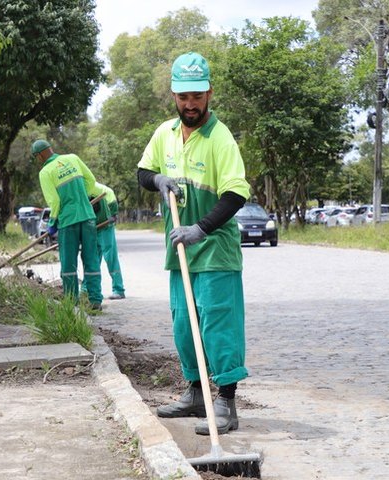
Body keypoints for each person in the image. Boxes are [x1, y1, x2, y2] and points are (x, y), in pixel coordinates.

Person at [136, 51, 251, 435]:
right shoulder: (164, 134)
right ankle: (196, 394)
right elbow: (143, 171)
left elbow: (236, 193)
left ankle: (226, 403)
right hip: (179, 251)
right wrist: (158, 181)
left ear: (209, 94)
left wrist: (200, 228)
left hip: (214, 252)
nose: (190, 104)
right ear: (174, 95)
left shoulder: (220, 137)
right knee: (185, 326)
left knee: (218, 327)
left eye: (197, 96)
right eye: (183, 97)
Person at [33, 139, 104, 309]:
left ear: (40, 155)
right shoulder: (73, 158)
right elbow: (91, 181)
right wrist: (80, 198)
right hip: (87, 217)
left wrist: (52, 222)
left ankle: (72, 303)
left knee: (68, 263)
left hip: (68, 221)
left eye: (36, 158)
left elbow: (54, 201)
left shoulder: (45, 172)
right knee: (91, 260)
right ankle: (95, 301)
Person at [82, 182, 126, 300]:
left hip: (105, 227)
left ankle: (118, 289)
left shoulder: (94, 187)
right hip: (92, 228)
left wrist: (113, 213)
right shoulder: (77, 191)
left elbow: (110, 194)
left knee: (110, 257)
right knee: (92, 259)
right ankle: (86, 290)